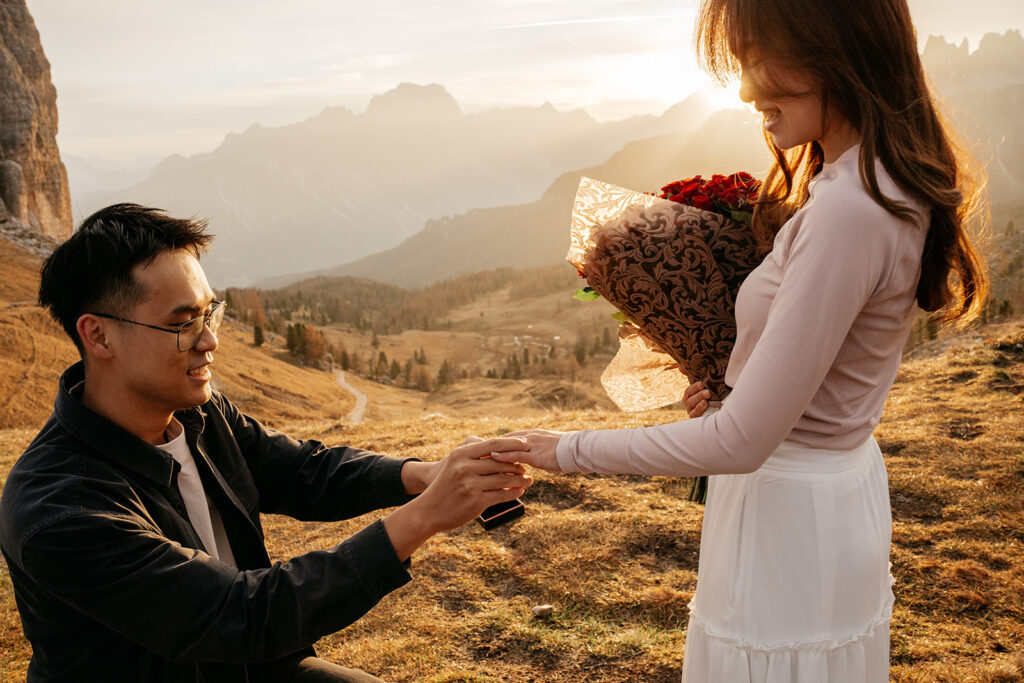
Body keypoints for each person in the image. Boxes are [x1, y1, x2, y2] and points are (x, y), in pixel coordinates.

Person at [492, 0, 988, 680]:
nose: (747, 88)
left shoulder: (847, 211)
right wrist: (736, 396)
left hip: (787, 517)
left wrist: (561, 450)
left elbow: (744, 444)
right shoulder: (868, 182)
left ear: (836, 49)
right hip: (823, 492)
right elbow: (801, 392)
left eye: (761, 59)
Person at [0, 203, 533, 682]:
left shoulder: (200, 414)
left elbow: (304, 472)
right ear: (98, 335)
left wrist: (423, 474)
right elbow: (238, 616)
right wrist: (423, 517)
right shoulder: (59, 508)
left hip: (261, 669)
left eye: (210, 313)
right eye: (182, 323)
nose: (209, 340)